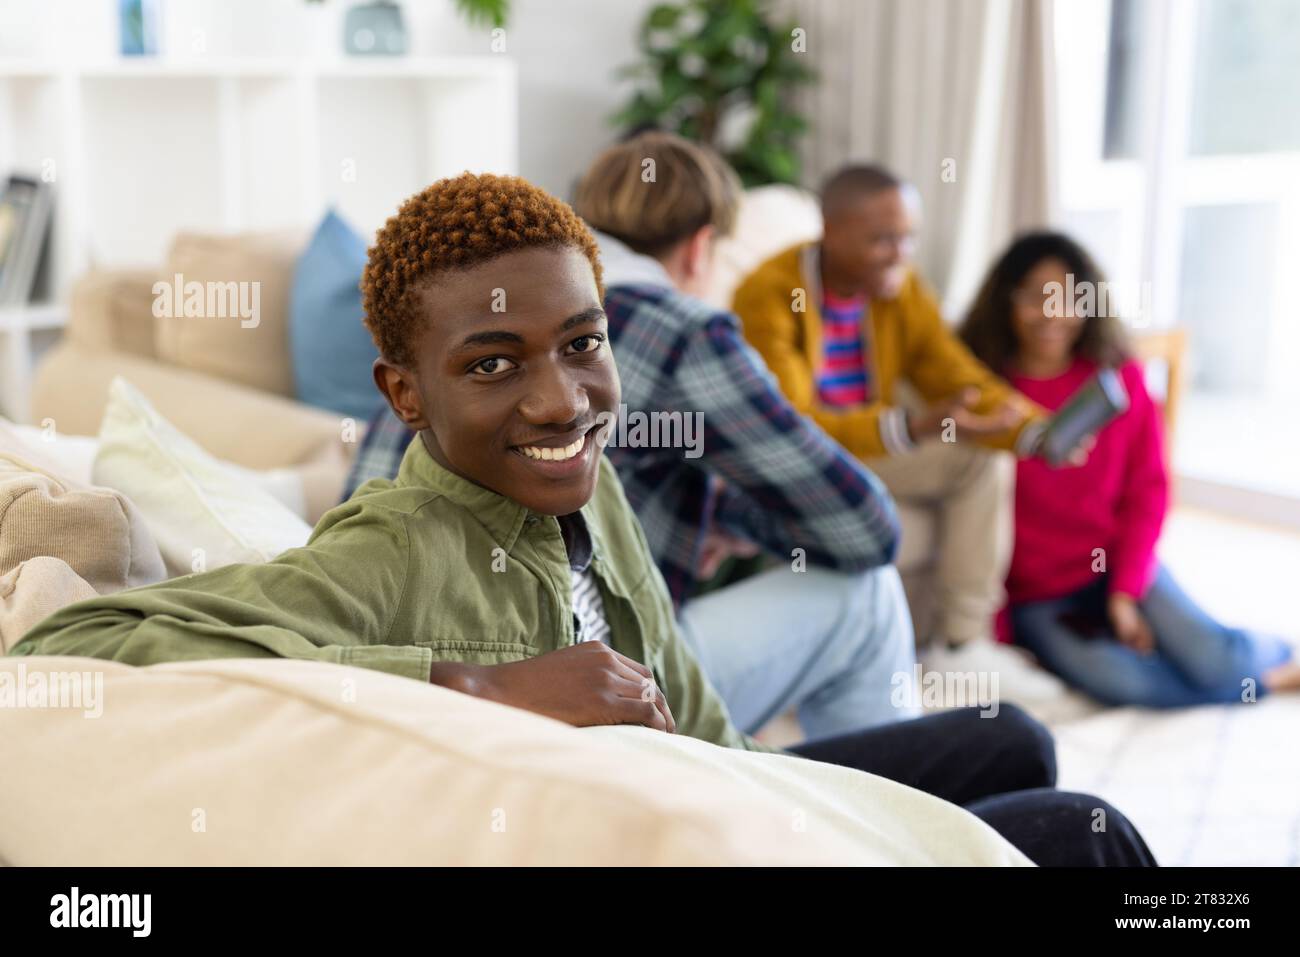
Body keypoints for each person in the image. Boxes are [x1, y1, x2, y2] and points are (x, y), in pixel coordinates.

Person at [10, 173, 1154, 865]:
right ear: (405, 395)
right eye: (494, 364)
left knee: (1011, 739)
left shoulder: (586, 480)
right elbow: (71, 646)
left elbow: (703, 722)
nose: (561, 401)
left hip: (726, 789)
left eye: (583, 345)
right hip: (674, 829)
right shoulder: (387, 547)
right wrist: (483, 686)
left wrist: (792, 793)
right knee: (1085, 832)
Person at [350, 132, 919, 737]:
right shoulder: (684, 332)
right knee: (869, 595)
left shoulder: (451, 315)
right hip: (582, 671)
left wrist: (716, 515)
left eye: (583, 346)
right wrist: (745, 523)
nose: (561, 400)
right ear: (702, 248)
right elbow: (863, 529)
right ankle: (864, 808)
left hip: (423, 654)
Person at [731, 164, 1051, 678]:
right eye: (883, 239)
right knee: (973, 464)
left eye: (907, 238)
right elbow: (792, 428)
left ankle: (959, 646)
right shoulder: (768, 294)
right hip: (807, 464)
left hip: (871, 453)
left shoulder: (898, 288)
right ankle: (963, 647)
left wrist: (1034, 429)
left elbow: (955, 374)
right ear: (831, 233)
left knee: (984, 461)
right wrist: (913, 427)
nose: (900, 254)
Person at [959, 230, 1300, 707]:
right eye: (1036, 298)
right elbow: (974, 526)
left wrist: (1124, 592)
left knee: (1216, 659)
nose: (1053, 315)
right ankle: (1271, 681)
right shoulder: (986, 396)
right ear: (1007, 301)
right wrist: (1001, 635)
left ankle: (1272, 651)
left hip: (1117, 566)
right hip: (1039, 598)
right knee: (1125, 682)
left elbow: (1150, 492)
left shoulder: (1118, 378)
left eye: (1069, 298)